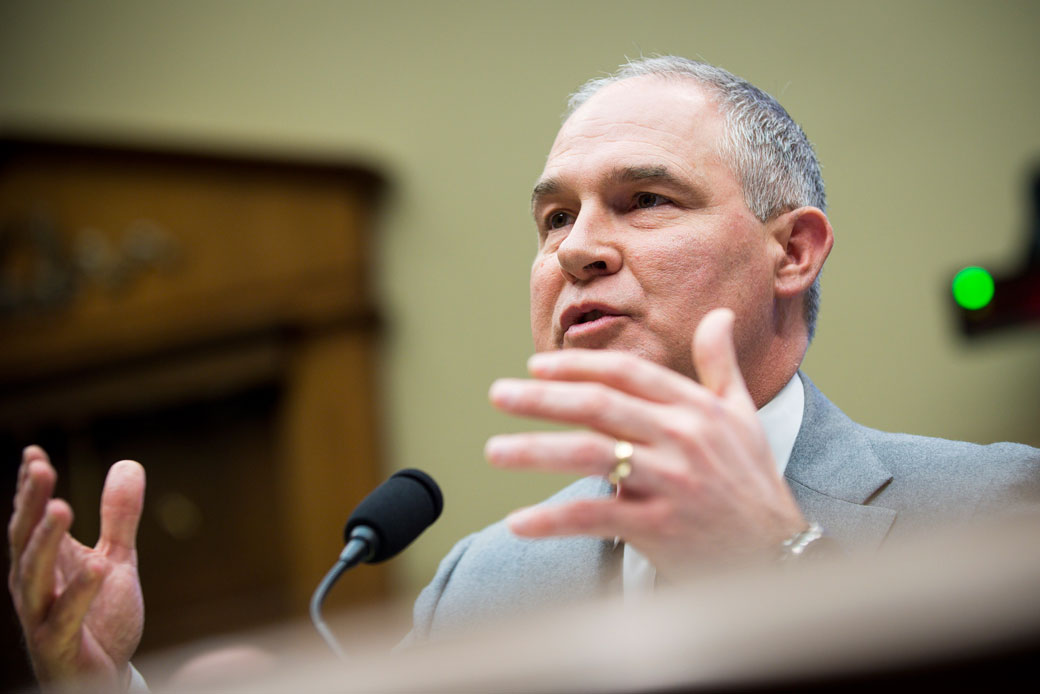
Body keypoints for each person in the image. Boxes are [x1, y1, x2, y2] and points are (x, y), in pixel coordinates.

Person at [7, 56, 1040, 690]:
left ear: (793, 250)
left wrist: (780, 567)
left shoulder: (998, 506)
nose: (576, 250)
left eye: (644, 200)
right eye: (554, 217)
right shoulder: (479, 582)